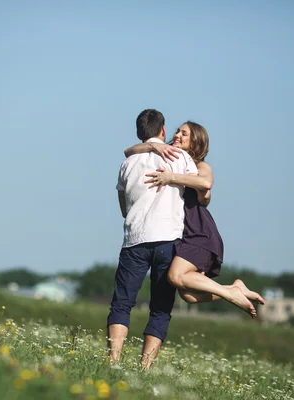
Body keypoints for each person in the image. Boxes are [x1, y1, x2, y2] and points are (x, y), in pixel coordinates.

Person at [125, 121, 265, 321]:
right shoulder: (173, 159)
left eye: (184, 134)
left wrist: (171, 178)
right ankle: (233, 289)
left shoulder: (200, 166)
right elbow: (128, 151)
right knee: (189, 295)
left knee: (175, 276)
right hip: (184, 234)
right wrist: (153, 145)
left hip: (198, 233)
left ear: (196, 143)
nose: (177, 135)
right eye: (177, 131)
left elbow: (205, 183)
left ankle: (232, 293)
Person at [107, 109, 212, 371]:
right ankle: (144, 368)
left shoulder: (127, 163)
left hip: (134, 240)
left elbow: (123, 207)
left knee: (122, 303)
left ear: (139, 132)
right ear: (163, 130)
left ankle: (113, 362)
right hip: (168, 240)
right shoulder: (181, 157)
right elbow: (202, 185)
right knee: (161, 308)